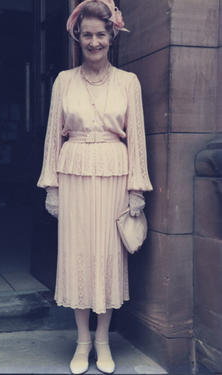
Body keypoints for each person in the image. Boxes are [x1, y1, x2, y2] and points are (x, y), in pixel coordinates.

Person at [37, 0, 153, 373]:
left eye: (100, 34)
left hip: (115, 174)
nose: (93, 42)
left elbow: (137, 139)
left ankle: (102, 340)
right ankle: (82, 340)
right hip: (73, 174)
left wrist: (137, 188)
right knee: (76, 255)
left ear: (112, 36)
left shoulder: (128, 82)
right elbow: (52, 137)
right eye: (86, 35)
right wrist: (51, 187)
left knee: (106, 255)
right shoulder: (63, 81)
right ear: (77, 37)